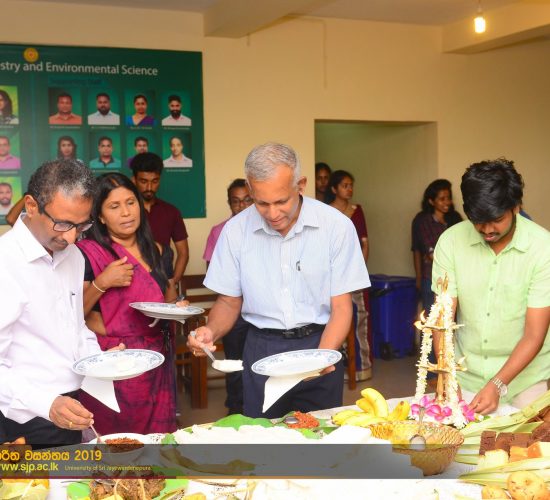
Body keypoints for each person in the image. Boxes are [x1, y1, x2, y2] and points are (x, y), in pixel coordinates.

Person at [188, 142, 370, 418]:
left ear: (301, 185)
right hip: (262, 349)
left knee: (321, 436)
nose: (273, 214)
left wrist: (321, 358)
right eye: (262, 203)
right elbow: (228, 302)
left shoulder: (336, 227)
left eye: (282, 201)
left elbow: (342, 307)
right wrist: (210, 331)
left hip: (320, 342)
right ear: (250, 190)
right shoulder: (235, 232)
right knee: (263, 437)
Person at [432, 158, 550, 414]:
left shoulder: (543, 248)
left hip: (525, 381)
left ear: (516, 206)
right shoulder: (450, 242)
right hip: (465, 375)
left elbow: (534, 334)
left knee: (526, 439)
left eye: (496, 219)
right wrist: (447, 375)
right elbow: (442, 321)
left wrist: (497, 384)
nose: (486, 229)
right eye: (477, 220)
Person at [0, 159, 104, 446]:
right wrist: (45, 403)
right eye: (63, 223)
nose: (71, 237)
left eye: (81, 225)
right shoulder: (5, 262)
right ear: (31, 206)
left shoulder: (74, 256)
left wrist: (100, 361)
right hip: (17, 416)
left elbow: (74, 327)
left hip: (67, 405)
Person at [77, 173, 179, 435]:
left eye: (131, 202)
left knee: (157, 438)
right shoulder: (87, 253)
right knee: (117, 440)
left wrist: (178, 309)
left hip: (157, 357)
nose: (126, 212)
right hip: (115, 359)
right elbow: (73, 314)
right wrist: (103, 281)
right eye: (114, 206)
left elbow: (168, 298)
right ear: (100, 216)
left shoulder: (158, 250)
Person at [203, 178, 253, 414]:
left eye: (247, 200)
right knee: (235, 362)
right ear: (229, 203)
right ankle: (235, 408)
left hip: (262, 308)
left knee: (259, 360)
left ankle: (257, 409)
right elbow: (215, 274)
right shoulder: (219, 231)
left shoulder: (266, 227)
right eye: (236, 201)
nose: (242, 206)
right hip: (233, 310)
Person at [326, 170, 372, 381]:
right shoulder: (327, 212)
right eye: (345, 185)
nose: (349, 189)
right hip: (333, 275)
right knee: (335, 320)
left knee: (360, 319)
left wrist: (358, 270)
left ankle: (362, 368)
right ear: (334, 189)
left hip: (355, 275)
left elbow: (364, 243)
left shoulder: (357, 211)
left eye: (351, 185)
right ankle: (340, 370)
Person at [130, 152, 189, 284]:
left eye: (155, 181)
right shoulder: (126, 212)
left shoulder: (171, 212)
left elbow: (183, 253)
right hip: (130, 285)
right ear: (134, 180)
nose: (149, 187)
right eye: (143, 181)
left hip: (162, 285)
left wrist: (171, 283)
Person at [411, 179, 462, 313]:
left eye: (448, 198)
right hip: (431, 277)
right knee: (434, 316)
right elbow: (425, 252)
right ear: (431, 201)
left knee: (452, 316)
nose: (447, 202)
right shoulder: (423, 220)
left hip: (456, 277)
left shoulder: (455, 218)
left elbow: (463, 246)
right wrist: (418, 278)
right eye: (442, 199)